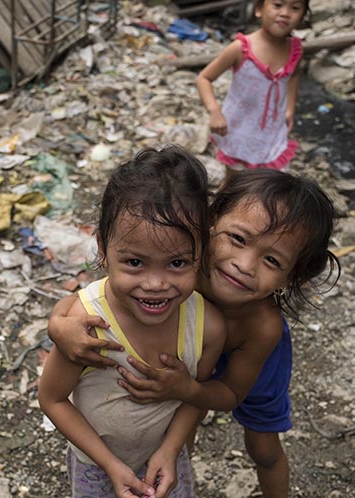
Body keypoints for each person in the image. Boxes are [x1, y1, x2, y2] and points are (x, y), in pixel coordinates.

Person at [49, 169, 339, 498]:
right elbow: (93, 297)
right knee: (179, 423)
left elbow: (230, 395)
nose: (244, 264)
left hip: (249, 363)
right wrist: (58, 325)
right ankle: (169, 465)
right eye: (238, 239)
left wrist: (186, 388)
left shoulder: (264, 328)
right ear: (208, 225)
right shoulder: (178, 265)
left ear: (291, 278)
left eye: (272, 260)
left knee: (264, 447)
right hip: (187, 356)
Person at [38, 146, 226, 498]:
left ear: (201, 253)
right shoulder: (85, 326)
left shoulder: (207, 326)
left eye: (177, 263)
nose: (156, 284)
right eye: (136, 263)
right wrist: (109, 464)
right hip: (97, 466)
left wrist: (170, 450)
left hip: (166, 458)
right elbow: (53, 399)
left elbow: (196, 395)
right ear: (103, 249)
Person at [196, 0, 310, 174]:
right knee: (234, 183)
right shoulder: (241, 48)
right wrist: (214, 112)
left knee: (268, 184)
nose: (285, 13)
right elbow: (204, 78)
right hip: (237, 129)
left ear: (302, 17)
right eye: (278, 5)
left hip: (271, 133)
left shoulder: (295, 50)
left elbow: (293, 75)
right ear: (258, 9)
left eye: (295, 8)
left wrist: (290, 109)